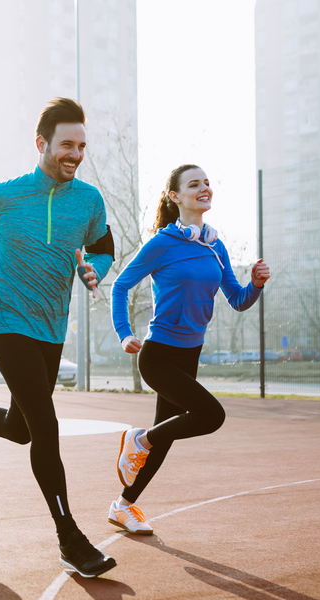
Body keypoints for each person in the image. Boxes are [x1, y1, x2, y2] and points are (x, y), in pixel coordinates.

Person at [0, 98, 117, 578]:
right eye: (66, 145)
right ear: (42, 143)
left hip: (51, 329)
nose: (75, 154)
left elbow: (102, 247)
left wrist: (94, 271)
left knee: (22, 429)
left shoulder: (89, 201)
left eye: (81, 146)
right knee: (46, 425)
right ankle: (70, 538)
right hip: (7, 323)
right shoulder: (3, 195)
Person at [108, 164, 270, 536]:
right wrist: (123, 333)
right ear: (175, 196)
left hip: (189, 354)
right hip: (158, 355)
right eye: (194, 184)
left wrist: (256, 285)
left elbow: (237, 299)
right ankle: (139, 440)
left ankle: (123, 506)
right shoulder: (161, 244)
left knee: (165, 436)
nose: (204, 188)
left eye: (207, 183)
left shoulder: (214, 245)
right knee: (210, 415)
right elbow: (120, 286)